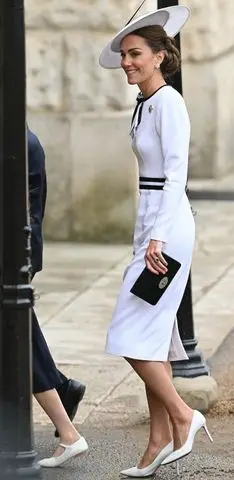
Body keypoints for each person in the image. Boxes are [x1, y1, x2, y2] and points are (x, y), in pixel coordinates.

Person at [99, 5, 213, 478]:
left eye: (136, 53)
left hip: (167, 230)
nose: (127, 61)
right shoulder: (144, 103)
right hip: (150, 228)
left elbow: (174, 174)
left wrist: (158, 238)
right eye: (124, 54)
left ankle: (184, 416)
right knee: (151, 338)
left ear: (162, 56)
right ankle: (157, 440)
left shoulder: (169, 103)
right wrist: (146, 234)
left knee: (128, 335)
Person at [28, 128, 88, 467]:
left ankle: (68, 432)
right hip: (18, 251)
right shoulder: (22, 138)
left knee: (21, 340)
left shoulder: (18, 144)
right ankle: (63, 392)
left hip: (13, 254)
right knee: (22, 338)